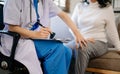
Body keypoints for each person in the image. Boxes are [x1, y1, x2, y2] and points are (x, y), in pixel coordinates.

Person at [1, 0, 87, 74]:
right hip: (17, 40)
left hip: (33, 39)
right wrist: (34, 34)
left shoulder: (45, 1)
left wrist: (77, 33)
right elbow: (12, 27)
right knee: (57, 48)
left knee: (67, 51)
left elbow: (63, 15)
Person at [66, 0, 120, 74]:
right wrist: (80, 38)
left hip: (99, 42)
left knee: (82, 47)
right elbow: (71, 26)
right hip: (81, 39)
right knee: (62, 49)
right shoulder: (79, 6)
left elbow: (112, 31)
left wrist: (119, 47)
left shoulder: (107, 8)